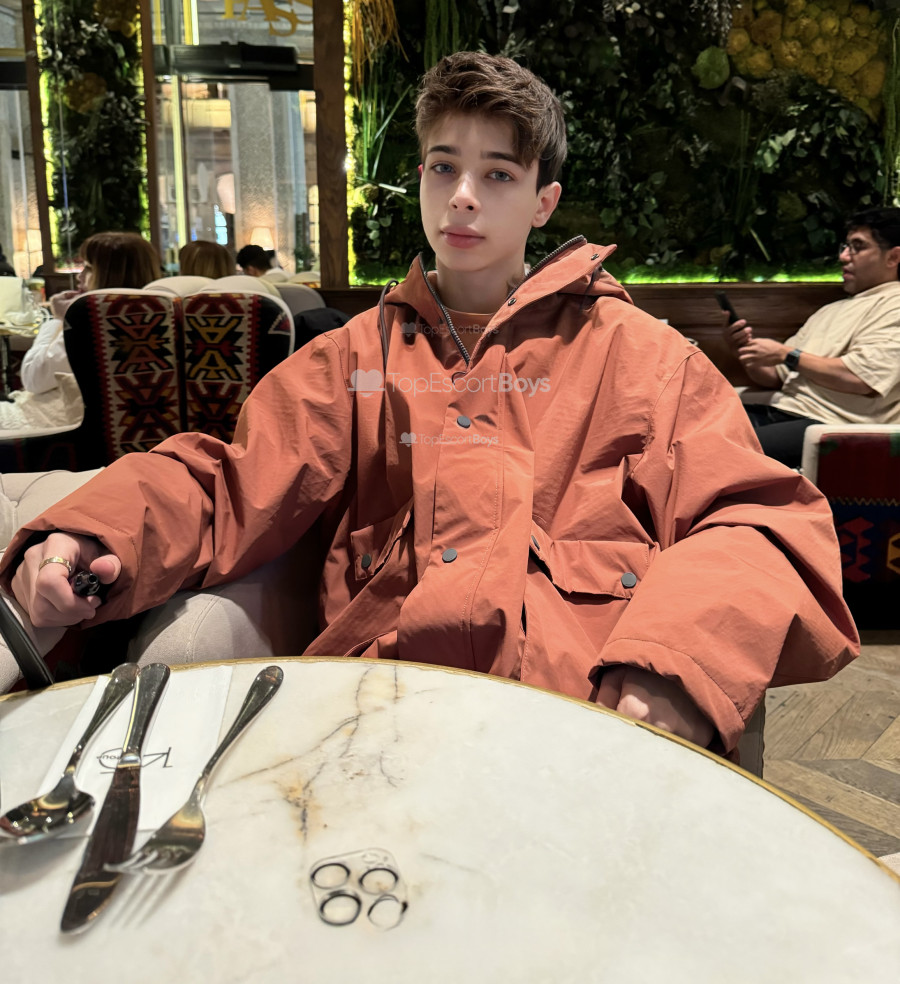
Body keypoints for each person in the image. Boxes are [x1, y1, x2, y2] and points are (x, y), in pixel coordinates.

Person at [0, 53, 857, 758]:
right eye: (445, 167)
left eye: (498, 173)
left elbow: (755, 519)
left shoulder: (642, 357)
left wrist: (676, 663)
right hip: (376, 714)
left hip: (581, 720)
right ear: (419, 178)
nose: (464, 196)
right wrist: (92, 535)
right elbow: (231, 482)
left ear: (545, 200)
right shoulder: (353, 358)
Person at [724, 208, 900, 468]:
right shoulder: (830, 310)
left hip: (833, 426)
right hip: (787, 411)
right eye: (845, 246)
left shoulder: (894, 304)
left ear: (893, 257)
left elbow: (860, 378)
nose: (843, 256)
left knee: (717, 450)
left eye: (858, 247)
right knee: (693, 427)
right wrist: (746, 351)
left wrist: (786, 354)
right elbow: (776, 376)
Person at [19, 231, 162, 396]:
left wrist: (59, 320)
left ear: (110, 276)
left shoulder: (95, 321)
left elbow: (34, 378)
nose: (79, 276)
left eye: (88, 268)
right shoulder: (159, 318)